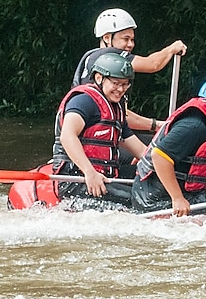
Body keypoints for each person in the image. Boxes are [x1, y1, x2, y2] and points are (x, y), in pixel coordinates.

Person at [131, 76, 206, 215]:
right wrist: (177, 198)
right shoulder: (194, 126)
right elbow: (159, 156)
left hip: (183, 194)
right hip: (156, 201)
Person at [51, 52, 147, 210]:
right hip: (76, 180)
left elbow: (140, 150)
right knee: (139, 200)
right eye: (116, 83)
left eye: (125, 84)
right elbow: (67, 136)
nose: (120, 89)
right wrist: (89, 172)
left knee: (148, 182)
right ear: (98, 78)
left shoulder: (117, 109)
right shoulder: (83, 101)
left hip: (105, 176)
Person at [72, 7, 188, 132]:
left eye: (132, 39)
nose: (131, 44)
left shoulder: (91, 56)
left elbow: (122, 116)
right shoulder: (108, 55)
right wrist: (171, 49)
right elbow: (152, 64)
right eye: (125, 39)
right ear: (106, 38)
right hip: (91, 132)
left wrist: (157, 125)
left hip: (98, 128)